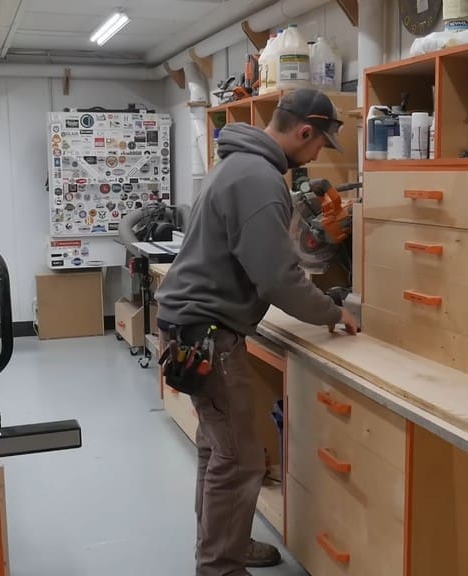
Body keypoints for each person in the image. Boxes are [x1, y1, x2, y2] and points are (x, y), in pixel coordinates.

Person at [155, 88, 358, 576]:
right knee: (241, 459)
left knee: (217, 447)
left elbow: (267, 265)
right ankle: (220, 566)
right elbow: (278, 278)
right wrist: (333, 313)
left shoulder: (236, 164)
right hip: (207, 333)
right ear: (303, 132)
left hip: (189, 324)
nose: (315, 157)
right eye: (317, 146)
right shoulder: (259, 179)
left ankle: (228, 543)